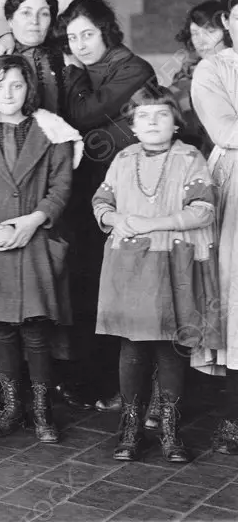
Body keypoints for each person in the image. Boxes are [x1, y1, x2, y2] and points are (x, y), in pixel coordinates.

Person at [0, 55, 81, 444]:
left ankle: (42, 410)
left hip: (35, 239)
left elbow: (60, 188)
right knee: (4, 330)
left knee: (36, 331)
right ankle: (11, 407)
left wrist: (32, 221)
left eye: (16, 85)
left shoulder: (52, 130)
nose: (7, 94)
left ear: (29, 88)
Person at [93, 86, 220, 464]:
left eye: (161, 115)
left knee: (170, 348)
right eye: (143, 116)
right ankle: (130, 429)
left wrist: (153, 223)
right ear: (132, 126)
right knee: (132, 348)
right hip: (129, 266)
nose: (151, 122)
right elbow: (102, 202)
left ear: (176, 124)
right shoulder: (122, 159)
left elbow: (204, 210)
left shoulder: (189, 158)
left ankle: (169, 428)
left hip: (172, 265)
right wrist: (117, 219)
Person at [60, 0, 156, 409]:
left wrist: (73, 73)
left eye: (87, 34)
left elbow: (85, 114)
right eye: (72, 38)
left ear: (106, 32)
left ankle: (142, 396)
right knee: (95, 286)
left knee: (137, 288)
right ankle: (103, 383)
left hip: (136, 193)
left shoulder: (133, 68)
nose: (80, 44)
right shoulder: (95, 69)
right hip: (92, 192)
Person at [191, 0, 238, 456]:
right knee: (236, 293)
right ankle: (234, 415)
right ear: (227, 22)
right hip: (235, 182)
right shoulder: (213, 70)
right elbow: (225, 129)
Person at [170, 0, 228, 157]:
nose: (201, 41)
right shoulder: (183, 79)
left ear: (227, 31)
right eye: (195, 33)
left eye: (210, 31)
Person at [3, 0, 65, 115]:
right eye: (26, 13)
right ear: (10, 20)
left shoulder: (64, 56)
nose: (35, 21)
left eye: (44, 14)